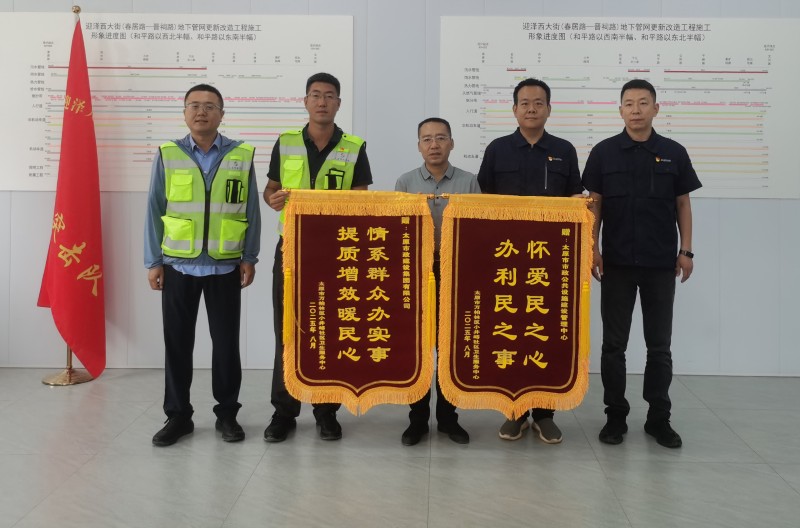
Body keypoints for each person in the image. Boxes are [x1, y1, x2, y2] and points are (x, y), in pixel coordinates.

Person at [583, 79, 701, 449]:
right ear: (620, 110)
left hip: (660, 264)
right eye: (629, 103)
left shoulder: (673, 152)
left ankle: (658, 418)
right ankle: (615, 416)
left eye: (643, 103)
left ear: (656, 109)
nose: (636, 110)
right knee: (613, 346)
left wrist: (686, 251)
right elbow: (595, 205)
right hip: (616, 263)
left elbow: (683, 204)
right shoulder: (604, 153)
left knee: (659, 346)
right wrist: (592, 248)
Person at [145, 83, 261, 446]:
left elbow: (251, 209)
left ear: (222, 114)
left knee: (226, 346)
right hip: (178, 267)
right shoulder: (168, 154)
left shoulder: (241, 155)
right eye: (194, 105)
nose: (201, 111)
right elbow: (154, 208)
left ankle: (227, 414)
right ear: (184, 113)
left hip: (225, 267)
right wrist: (154, 261)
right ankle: (178, 416)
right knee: (177, 344)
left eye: (210, 106)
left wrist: (249, 256)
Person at [263, 72, 373, 442]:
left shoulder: (354, 147)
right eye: (315, 95)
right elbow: (270, 189)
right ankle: (284, 412)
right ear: (306, 101)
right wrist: (272, 199)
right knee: (287, 330)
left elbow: (362, 199)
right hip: (291, 249)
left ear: (338, 103)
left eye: (329, 95)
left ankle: (326, 412)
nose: (322, 101)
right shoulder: (286, 142)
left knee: (330, 330)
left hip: (334, 252)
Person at [477, 78, 583, 445]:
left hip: (551, 261)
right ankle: (515, 411)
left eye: (539, 102)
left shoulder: (564, 150)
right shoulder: (498, 149)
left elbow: (576, 200)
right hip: (506, 259)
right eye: (525, 103)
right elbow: (482, 202)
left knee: (547, 332)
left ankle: (545, 413)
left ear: (549, 109)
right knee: (510, 329)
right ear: (514, 109)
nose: (532, 108)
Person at [395, 117, 481, 446]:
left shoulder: (469, 182)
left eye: (441, 138)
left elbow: (478, 229)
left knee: (449, 346)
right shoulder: (405, 182)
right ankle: (417, 420)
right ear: (419, 146)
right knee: (418, 347)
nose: (434, 144)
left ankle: (448, 418)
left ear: (452, 143)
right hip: (416, 272)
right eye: (427, 139)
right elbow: (397, 230)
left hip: (456, 271)